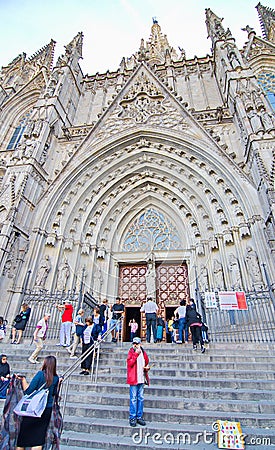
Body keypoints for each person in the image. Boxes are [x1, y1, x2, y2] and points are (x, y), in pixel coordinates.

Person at [16, 355, 59, 450]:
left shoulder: (40, 374)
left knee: (23, 438)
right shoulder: (56, 378)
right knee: (39, 437)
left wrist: (23, 380)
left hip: (33, 409)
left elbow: (29, 391)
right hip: (46, 409)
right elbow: (54, 393)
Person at [126, 336, 150, 427]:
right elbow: (129, 363)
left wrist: (147, 368)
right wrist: (135, 354)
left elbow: (146, 362)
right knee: (133, 399)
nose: (135, 345)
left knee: (140, 398)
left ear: (140, 344)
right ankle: (132, 417)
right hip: (134, 378)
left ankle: (139, 416)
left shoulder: (143, 353)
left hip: (141, 378)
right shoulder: (131, 352)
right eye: (134, 344)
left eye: (137, 343)